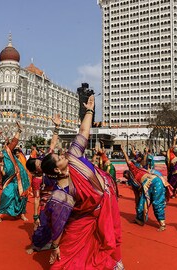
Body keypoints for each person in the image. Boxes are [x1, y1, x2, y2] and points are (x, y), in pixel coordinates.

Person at [40, 95, 123, 269]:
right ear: (56, 169)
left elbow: (83, 132)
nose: (63, 154)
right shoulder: (61, 192)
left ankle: (114, 262)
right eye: (59, 157)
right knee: (68, 260)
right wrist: (55, 246)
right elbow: (58, 223)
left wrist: (90, 110)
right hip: (86, 217)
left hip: (107, 202)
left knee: (110, 241)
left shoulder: (73, 155)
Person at [121, 144, 170, 232]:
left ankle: (162, 224)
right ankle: (139, 219)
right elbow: (137, 196)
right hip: (147, 187)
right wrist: (136, 205)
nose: (125, 177)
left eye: (126, 175)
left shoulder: (135, 170)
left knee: (157, 203)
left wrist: (123, 151)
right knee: (141, 205)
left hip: (155, 182)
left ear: (129, 172)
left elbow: (128, 162)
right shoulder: (134, 182)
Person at [0, 121, 30, 224]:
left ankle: (22, 214)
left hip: (21, 175)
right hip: (10, 181)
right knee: (6, 195)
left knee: (23, 195)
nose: (1, 153)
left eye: (0, 151)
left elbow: (14, 142)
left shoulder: (6, 152)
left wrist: (19, 130)